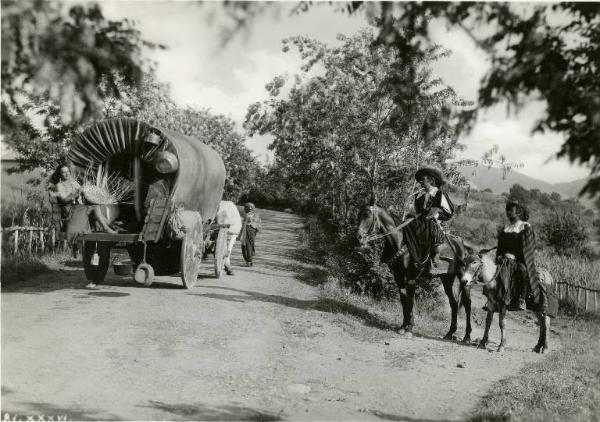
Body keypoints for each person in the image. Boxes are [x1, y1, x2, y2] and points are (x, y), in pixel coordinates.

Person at [402, 167, 454, 274]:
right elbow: (418, 211)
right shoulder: (418, 195)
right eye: (420, 179)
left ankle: (432, 259)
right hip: (420, 221)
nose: (420, 181)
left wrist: (437, 214)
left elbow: (449, 212)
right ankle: (410, 256)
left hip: (434, 222)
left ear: (431, 180)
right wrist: (414, 215)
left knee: (428, 228)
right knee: (406, 226)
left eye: (423, 178)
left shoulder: (439, 194)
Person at [48, 164, 117, 236]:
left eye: (67, 171)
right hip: (69, 210)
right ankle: (108, 227)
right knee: (95, 208)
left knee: (96, 207)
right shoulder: (59, 185)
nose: (66, 174)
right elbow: (65, 199)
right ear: (60, 174)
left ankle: (109, 226)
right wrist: (76, 194)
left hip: (78, 207)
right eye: (63, 172)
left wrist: (86, 187)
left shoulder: (73, 182)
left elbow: (81, 189)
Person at [495, 201, 534, 311]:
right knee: (494, 272)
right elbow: (500, 246)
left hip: (519, 259)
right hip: (504, 259)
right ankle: (494, 299)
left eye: (511, 211)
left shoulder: (525, 227)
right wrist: (499, 256)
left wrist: (515, 256)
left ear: (518, 213)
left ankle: (521, 300)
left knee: (522, 271)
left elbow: (529, 247)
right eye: (507, 210)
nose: (508, 213)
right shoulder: (506, 228)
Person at [215, 199, 242, 275]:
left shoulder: (219, 203)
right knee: (228, 247)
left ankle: (227, 265)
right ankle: (227, 265)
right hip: (231, 229)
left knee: (227, 245)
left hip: (214, 224)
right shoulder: (231, 206)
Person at [239, 202, 261, 267]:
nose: (250, 208)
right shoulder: (244, 215)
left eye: (251, 207)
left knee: (248, 246)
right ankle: (248, 261)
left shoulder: (256, 215)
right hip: (245, 231)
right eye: (248, 207)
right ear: (245, 208)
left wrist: (251, 225)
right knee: (243, 246)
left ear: (253, 208)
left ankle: (249, 261)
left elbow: (258, 225)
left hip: (250, 231)